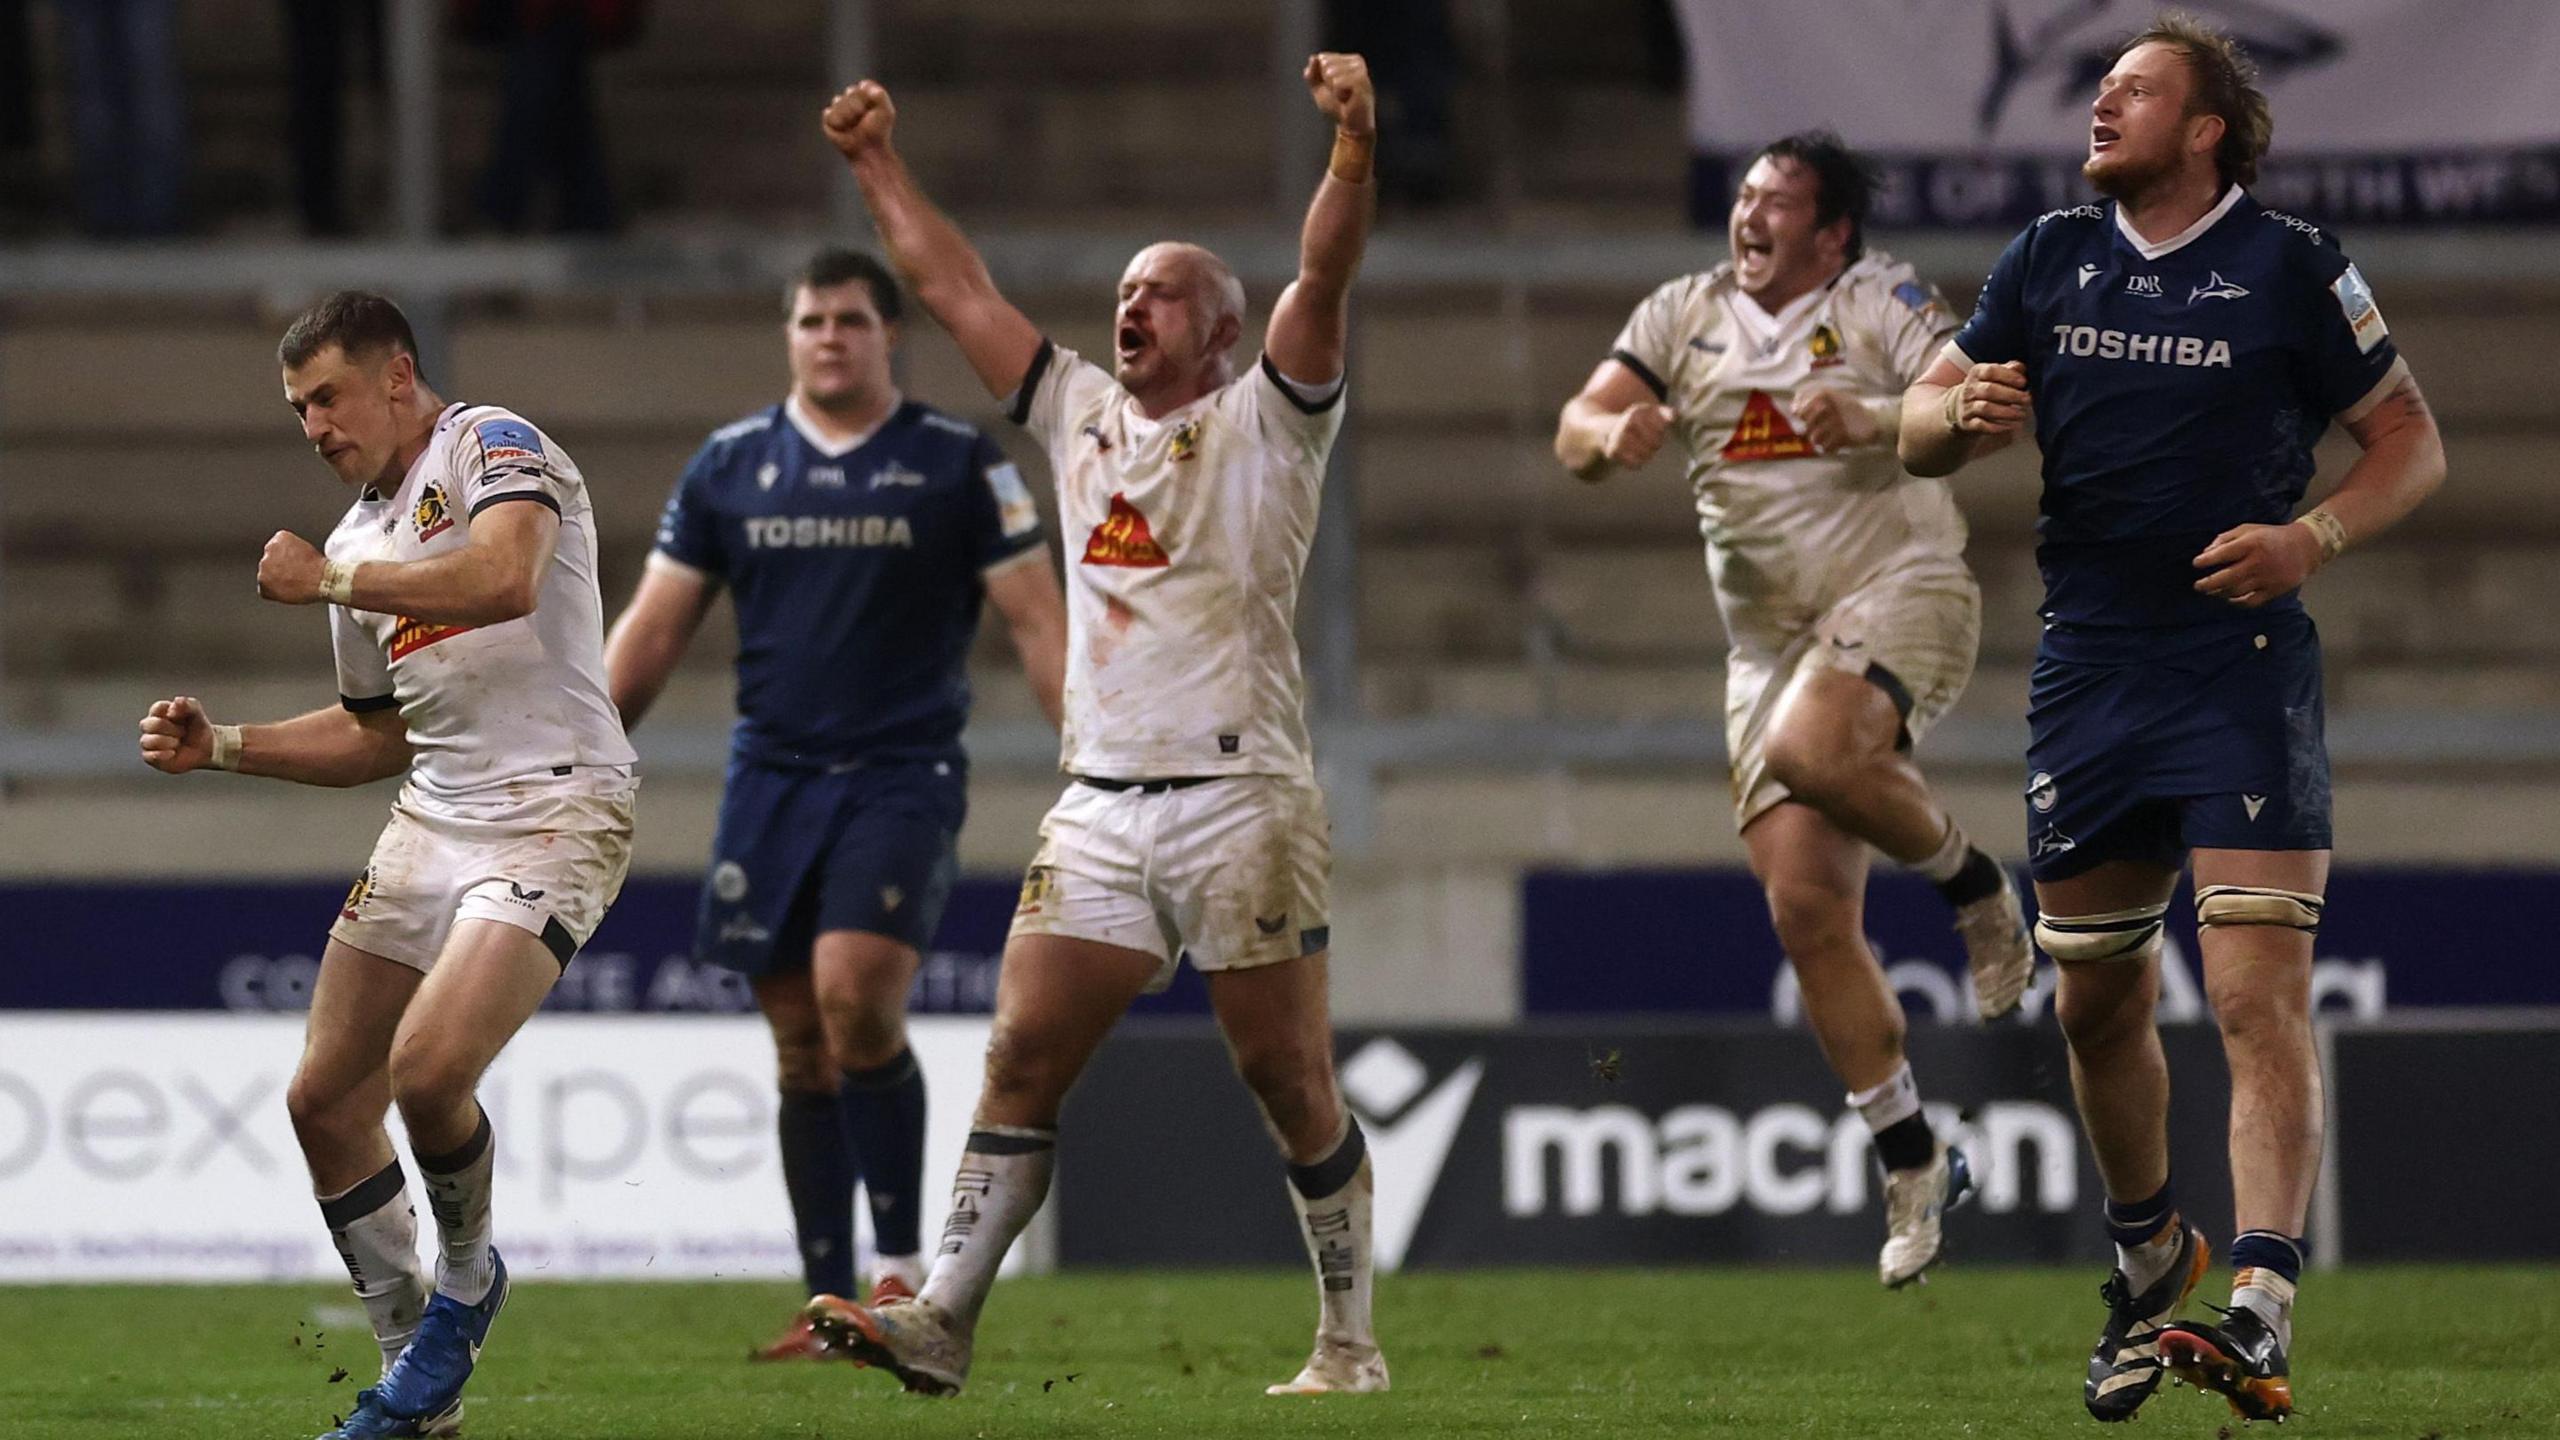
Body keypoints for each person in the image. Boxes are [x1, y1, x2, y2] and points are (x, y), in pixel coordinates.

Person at [794, 53, 1386, 1397]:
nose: (1133, 306)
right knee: (1019, 1051)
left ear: (1222, 328)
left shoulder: (1269, 420)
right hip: (1102, 800)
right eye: (1123, 289)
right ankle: (941, 1314)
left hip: (1244, 796)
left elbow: (1326, 276)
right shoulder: (1076, 413)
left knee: (1286, 1077)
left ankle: (1348, 1342)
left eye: (1162, 291)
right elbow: (953, 289)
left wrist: (1352, 146)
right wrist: (877, 160)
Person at [1898, 16, 2444, 1425]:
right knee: (2095, 1002)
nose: (2102, 104)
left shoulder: (2293, 264)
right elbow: (1913, 421)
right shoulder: (2047, 255)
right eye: (2100, 84)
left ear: (2206, 129)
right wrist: (1957, 413)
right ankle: (2152, 1257)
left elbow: (2411, 444)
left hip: (2237, 665)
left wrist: (2310, 538)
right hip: (2089, 671)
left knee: (2257, 994)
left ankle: (2258, 1302)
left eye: (2134, 88)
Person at [137, 291, 640, 1440]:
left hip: (554, 807)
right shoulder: (357, 540)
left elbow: (506, 577)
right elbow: (379, 732)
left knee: (425, 1072)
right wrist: (223, 747)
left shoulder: (490, 446)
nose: (313, 425)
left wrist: (328, 582)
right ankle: (415, 1368)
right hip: (434, 814)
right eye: (296, 409)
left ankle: (465, 1284)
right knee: (323, 1099)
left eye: (327, 396)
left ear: (398, 376)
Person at [1553, 130, 2034, 1288]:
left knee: (1814, 747)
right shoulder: (1683, 314)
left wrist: (1870, 419)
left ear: (1830, 234)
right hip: (1765, 646)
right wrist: (1607, 440)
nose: (1748, 216)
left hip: (1899, 589)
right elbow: (1574, 424)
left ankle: (1974, 890)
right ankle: (1913, 1158)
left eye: (1776, 203)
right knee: (1807, 912)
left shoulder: (1883, 300)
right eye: (1744, 196)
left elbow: (1948, 405)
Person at [602, 247, 1067, 1358]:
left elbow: (1038, 621)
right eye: (811, 320)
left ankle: (900, 1269)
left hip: (900, 776)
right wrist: (575, 747)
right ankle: (825, 1302)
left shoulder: (957, 463)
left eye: (851, 319)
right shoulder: (730, 466)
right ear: (790, 335)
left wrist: (1090, 754)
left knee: (855, 994)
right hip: (769, 779)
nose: (829, 337)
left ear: (888, 334)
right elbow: (655, 630)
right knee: (799, 1043)